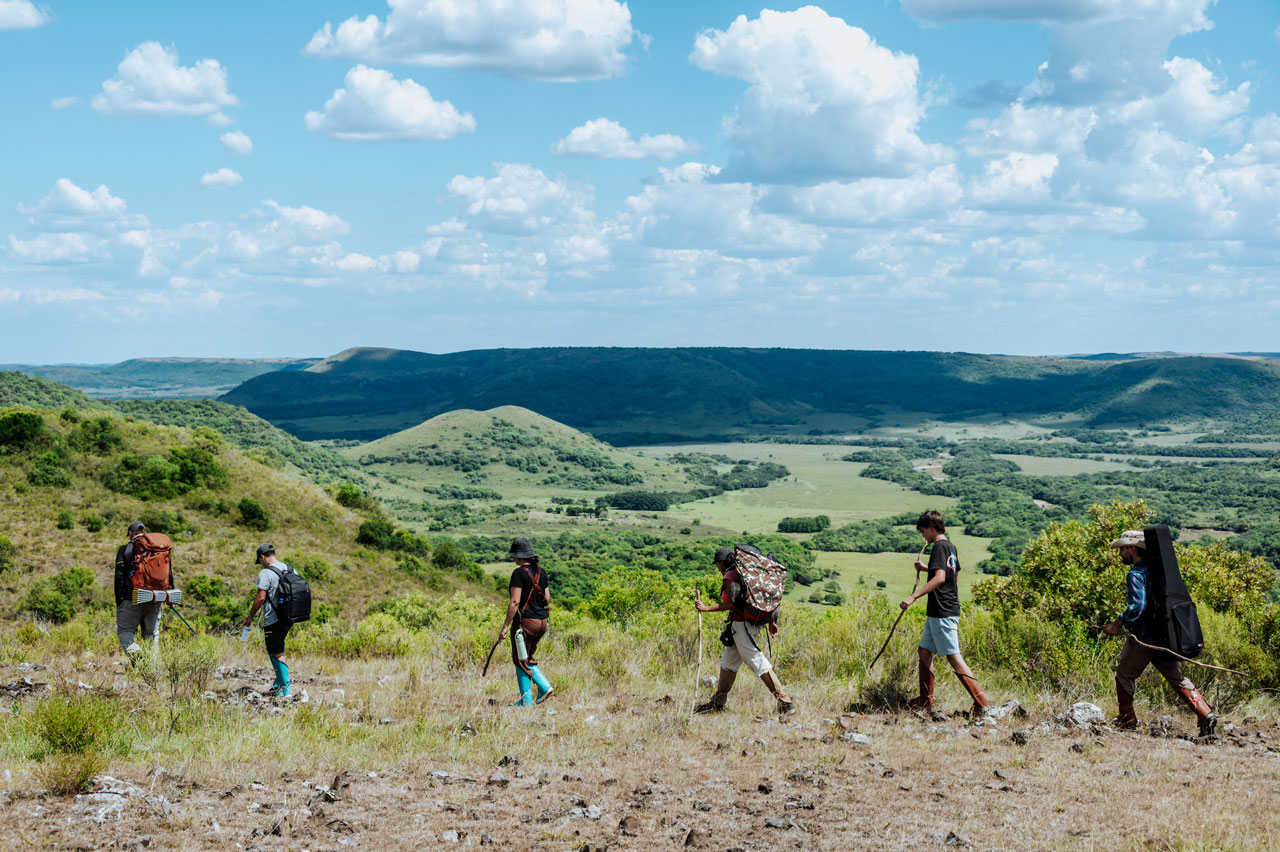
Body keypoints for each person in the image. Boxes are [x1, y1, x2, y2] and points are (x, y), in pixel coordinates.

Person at [1102, 530, 1217, 736]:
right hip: (1166, 636)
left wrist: (1116, 624)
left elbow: (1137, 606)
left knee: (1124, 675)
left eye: (1122, 549)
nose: (1120, 554)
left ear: (1132, 549)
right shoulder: (1158, 571)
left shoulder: (1135, 574)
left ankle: (1127, 721)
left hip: (1145, 638)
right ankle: (1206, 713)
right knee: (1177, 678)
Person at [901, 511, 989, 716]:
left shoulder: (939, 547)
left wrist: (913, 597)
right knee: (924, 650)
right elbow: (953, 574)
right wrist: (927, 568)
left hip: (942, 611)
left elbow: (941, 577)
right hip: (938, 611)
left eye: (923, 531)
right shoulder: (950, 546)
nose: (923, 536)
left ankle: (983, 704)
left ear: (931, 528)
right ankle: (925, 701)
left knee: (953, 656)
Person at [694, 545, 795, 715]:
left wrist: (706, 608)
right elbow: (765, 598)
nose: (717, 568)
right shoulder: (745, 573)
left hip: (741, 627)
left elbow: (732, 604)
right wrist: (771, 620)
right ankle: (717, 703)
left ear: (720, 563)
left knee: (757, 662)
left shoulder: (730, 575)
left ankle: (785, 702)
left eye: (717, 565)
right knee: (728, 663)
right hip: (747, 625)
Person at [496, 537, 553, 706]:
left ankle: (534, 694)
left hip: (525, 623)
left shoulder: (518, 574)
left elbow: (514, 602)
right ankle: (535, 694)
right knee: (527, 657)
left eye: (514, 555)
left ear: (520, 556)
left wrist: (505, 626)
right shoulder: (541, 572)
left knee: (520, 660)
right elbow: (547, 597)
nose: (513, 558)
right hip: (542, 622)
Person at [241, 543, 297, 698]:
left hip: (273, 619)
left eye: (260, 562)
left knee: (276, 652)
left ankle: (286, 691)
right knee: (276, 649)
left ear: (262, 557)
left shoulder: (266, 573)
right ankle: (278, 685)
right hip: (289, 617)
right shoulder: (290, 569)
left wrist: (250, 617)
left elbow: (260, 598)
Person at [113, 520, 164, 654]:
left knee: (125, 631)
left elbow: (119, 577)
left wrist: (120, 600)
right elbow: (168, 574)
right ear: (145, 533)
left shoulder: (125, 550)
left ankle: (137, 655)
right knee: (151, 634)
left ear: (130, 534)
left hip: (132, 598)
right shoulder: (158, 550)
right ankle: (151, 670)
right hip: (155, 598)